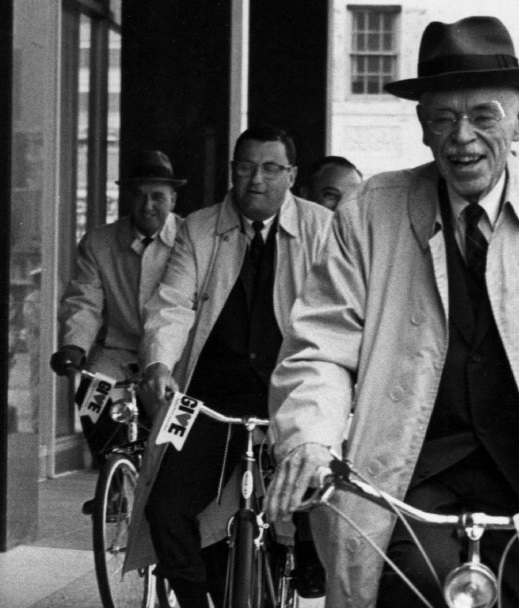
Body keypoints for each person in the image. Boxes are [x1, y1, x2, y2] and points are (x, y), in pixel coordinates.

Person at [266, 16, 519, 608]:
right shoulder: (369, 214)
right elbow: (319, 348)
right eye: (443, 118)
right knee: (398, 588)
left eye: (484, 116)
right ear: (423, 127)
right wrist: (309, 440)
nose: (463, 137)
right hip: (409, 483)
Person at [123, 125, 333, 608]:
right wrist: (158, 363)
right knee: (167, 508)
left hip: (291, 395)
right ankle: (197, 600)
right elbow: (172, 305)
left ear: (292, 176)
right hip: (209, 400)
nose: (256, 180)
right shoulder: (199, 228)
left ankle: (303, 551)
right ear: (232, 171)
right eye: (244, 167)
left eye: (271, 168)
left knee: (314, 491)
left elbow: (337, 316)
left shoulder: (323, 228)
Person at [49, 149, 185, 496]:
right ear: (127, 197)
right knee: (92, 394)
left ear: (173, 197)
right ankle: (111, 480)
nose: (148, 205)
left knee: (177, 432)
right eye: (139, 196)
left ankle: (172, 490)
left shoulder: (190, 240)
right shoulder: (99, 242)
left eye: (157, 196)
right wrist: (73, 346)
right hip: (118, 352)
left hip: (174, 357)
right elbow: (84, 300)